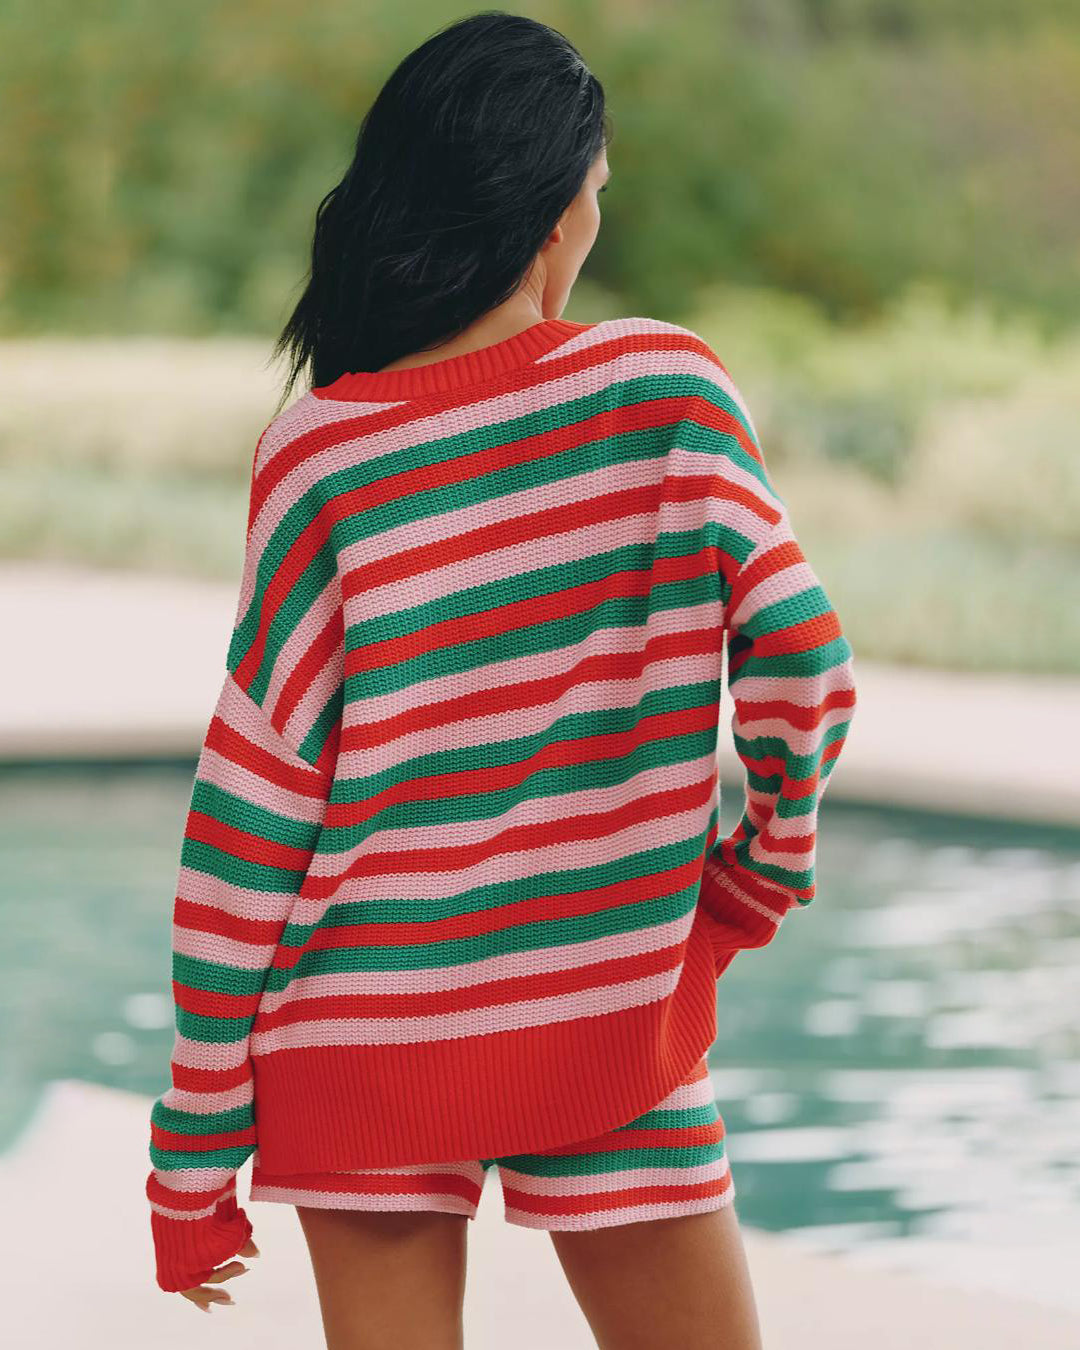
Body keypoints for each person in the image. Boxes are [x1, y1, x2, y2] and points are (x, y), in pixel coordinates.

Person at [144, 11, 857, 1348]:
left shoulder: (318, 453)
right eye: (598, 182)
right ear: (557, 211)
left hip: (355, 1040)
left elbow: (251, 814)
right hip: (612, 1013)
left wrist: (192, 1153)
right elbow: (806, 661)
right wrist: (756, 872)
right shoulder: (666, 388)